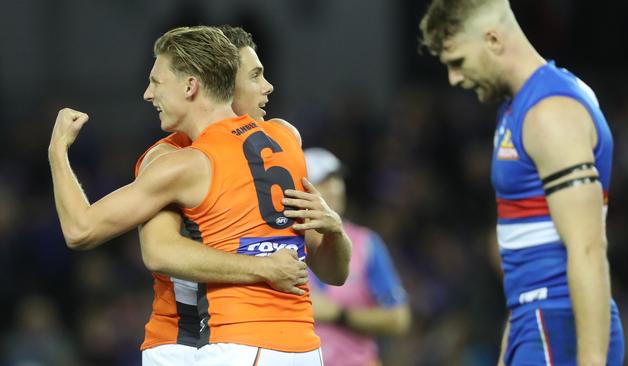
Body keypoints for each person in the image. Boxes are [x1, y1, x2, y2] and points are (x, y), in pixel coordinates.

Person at [48, 26, 351, 366]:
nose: (148, 94)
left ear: (191, 85)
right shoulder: (286, 138)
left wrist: (57, 150)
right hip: (298, 344)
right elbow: (329, 270)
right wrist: (272, 262)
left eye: (157, 82)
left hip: (229, 342)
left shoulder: (181, 163)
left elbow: (81, 230)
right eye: (255, 76)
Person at [419, 1, 624, 365]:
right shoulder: (519, 108)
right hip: (535, 321)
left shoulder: (551, 111)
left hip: (561, 325)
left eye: (458, 62)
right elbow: (527, 262)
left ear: (493, 39)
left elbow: (588, 248)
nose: (454, 79)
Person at [135, 26, 314, 366]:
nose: (267, 87)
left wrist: (331, 227)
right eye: (255, 75)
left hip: (239, 338)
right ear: (223, 85)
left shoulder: (274, 144)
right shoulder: (169, 158)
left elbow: (327, 266)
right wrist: (263, 268)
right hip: (179, 341)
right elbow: (156, 250)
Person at [304, 147, 411, 366]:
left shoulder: (366, 244)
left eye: (337, 180)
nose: (335, 189)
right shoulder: (281, 244)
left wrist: (339, 314)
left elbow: (399, 319)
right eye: (323, 182)